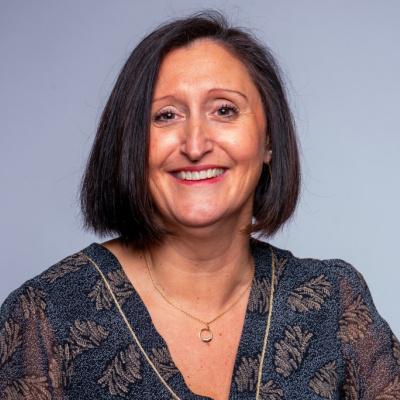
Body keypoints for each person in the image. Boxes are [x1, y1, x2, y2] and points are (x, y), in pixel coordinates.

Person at [1, 11, 399, 400]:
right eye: (166, 115)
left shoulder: (334, 302)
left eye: (224, 110)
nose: (195, 145)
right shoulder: (45, 316)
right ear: (130, 144)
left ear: (269, 141)